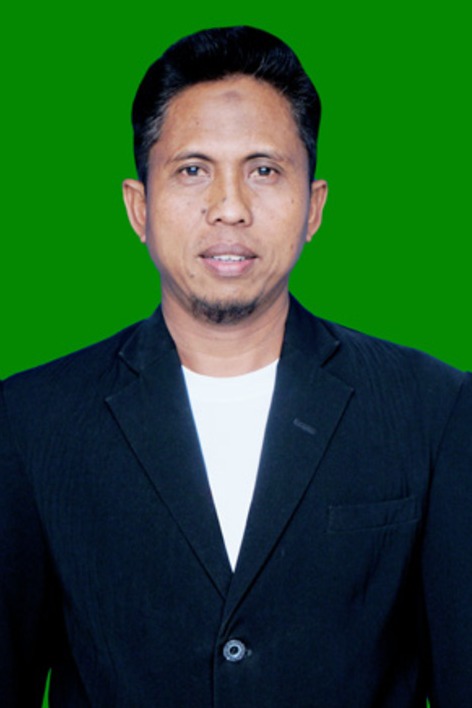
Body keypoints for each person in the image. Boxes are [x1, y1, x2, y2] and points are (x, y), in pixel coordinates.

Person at [1, 25, 471, 707]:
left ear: (314, 206)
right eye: (193, 170)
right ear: (139, 206)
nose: (230, 209)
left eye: (264, 171)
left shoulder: (434, 409)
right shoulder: (31, 421)